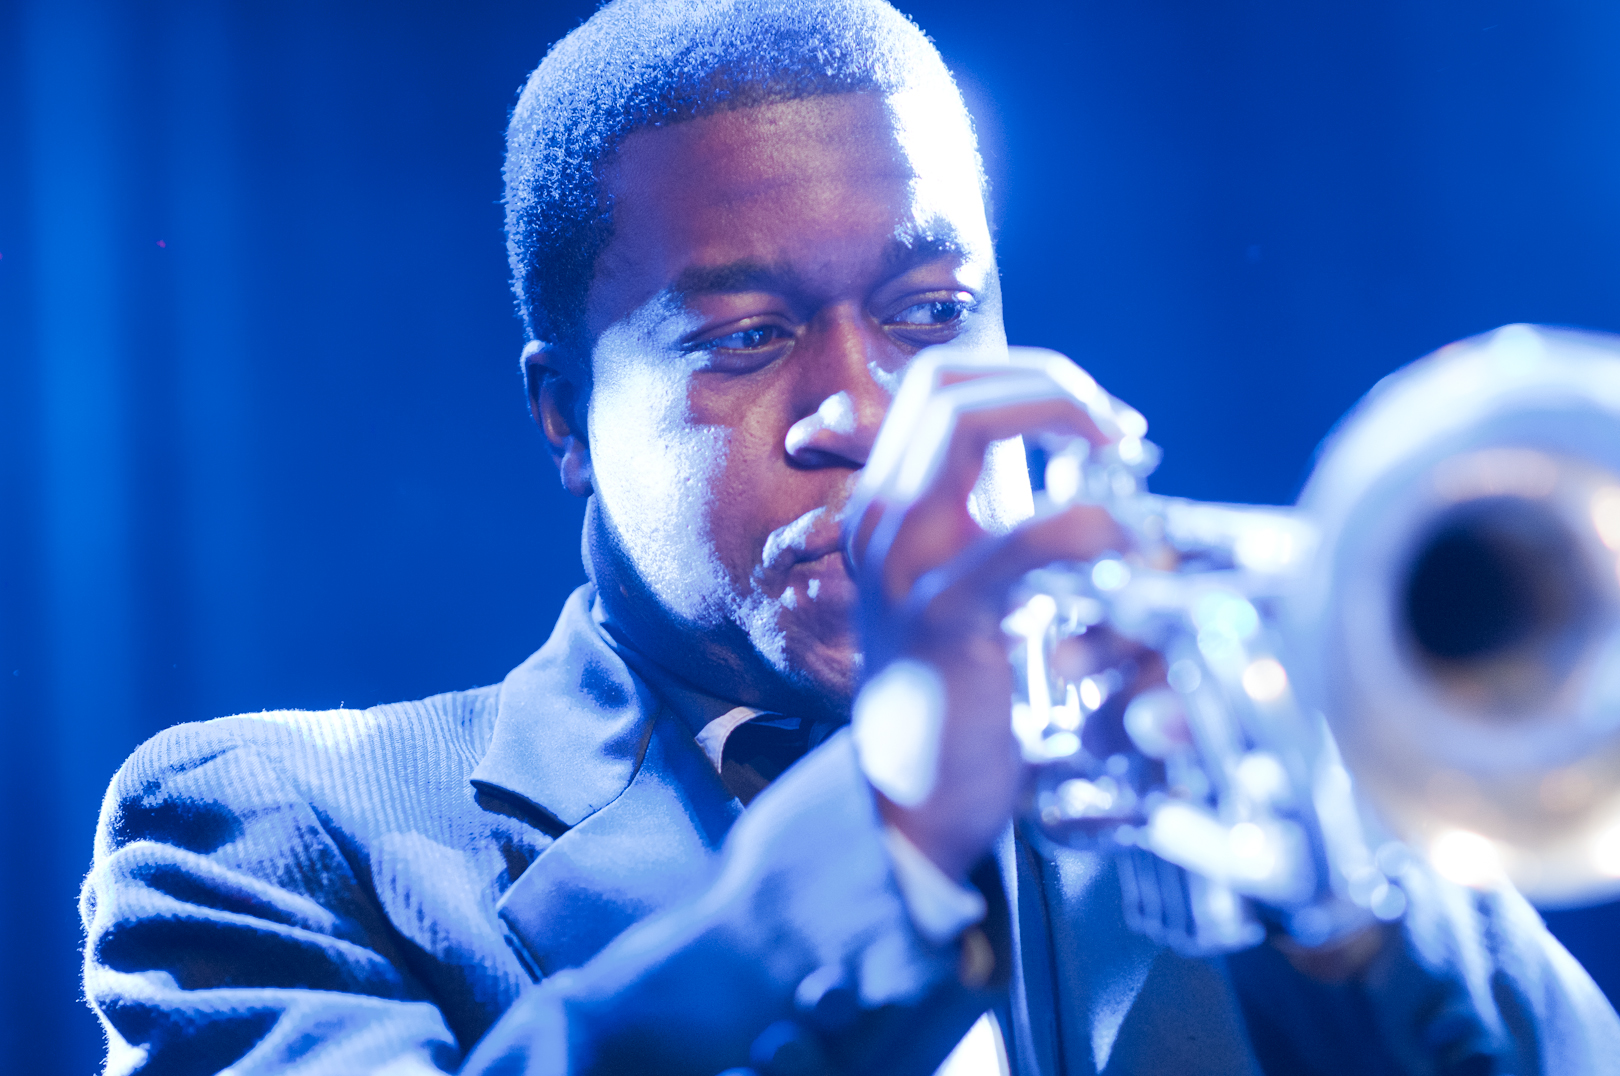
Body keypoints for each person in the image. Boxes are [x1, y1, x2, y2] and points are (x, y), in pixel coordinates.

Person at [80, 2, 1620, 1073]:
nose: (864, 411)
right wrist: (893, 825)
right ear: (564, 416)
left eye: (932, 315)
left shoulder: (1232, 789)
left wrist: (1335, 885)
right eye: (746, 339)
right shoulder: (278, 840)